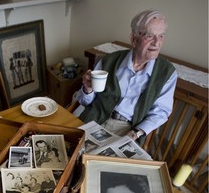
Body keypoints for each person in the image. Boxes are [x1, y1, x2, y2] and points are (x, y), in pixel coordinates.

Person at [75, 10, 177, 144]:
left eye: (161, 35)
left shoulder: (167, 73)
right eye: (150, 35)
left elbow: (161, 112)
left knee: (107, 164)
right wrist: (87, 90)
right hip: (95, 118)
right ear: (134, 39)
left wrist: (137, 132)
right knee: (72, 152)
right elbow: (85, 102)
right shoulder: (109, 61)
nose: (156, 42)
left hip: (128, 129)